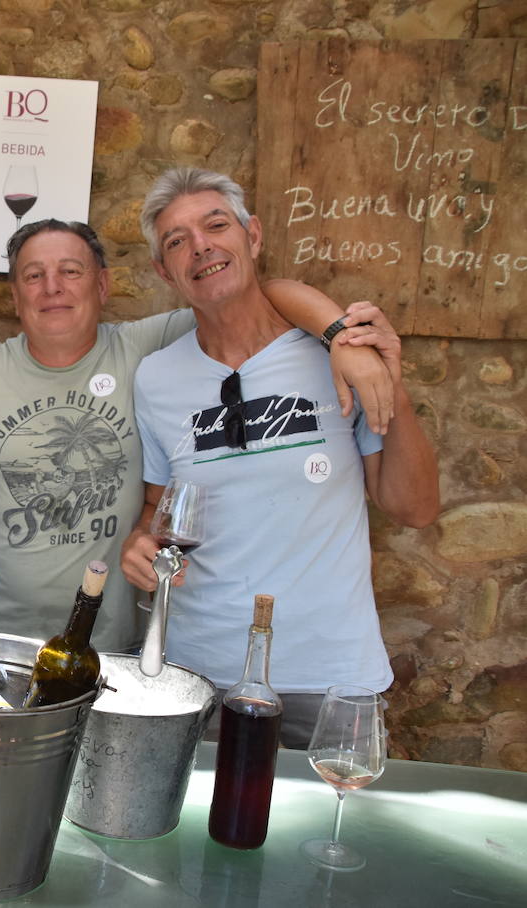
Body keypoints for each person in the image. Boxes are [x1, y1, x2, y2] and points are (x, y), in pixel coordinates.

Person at [0, 219, 396, 652]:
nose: (52, 287)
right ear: (14, 296)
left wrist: (341, 337)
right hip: (1, 638)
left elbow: (265, 296)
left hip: (113, 643)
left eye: (70, 271)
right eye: (33, 276)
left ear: (102, 286)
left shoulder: (143, 347)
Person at [122, 167, 439, 747]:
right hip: (196, 676)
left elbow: (414, 508)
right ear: (163, 271)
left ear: (254, 237)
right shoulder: (156, 378)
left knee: (329, 835)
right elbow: (157, 507)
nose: (201, 246)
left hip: (328, 675)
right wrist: (142, 545)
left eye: (216, 225)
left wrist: (392, 383)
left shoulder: (331, 354)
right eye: (176, 241)